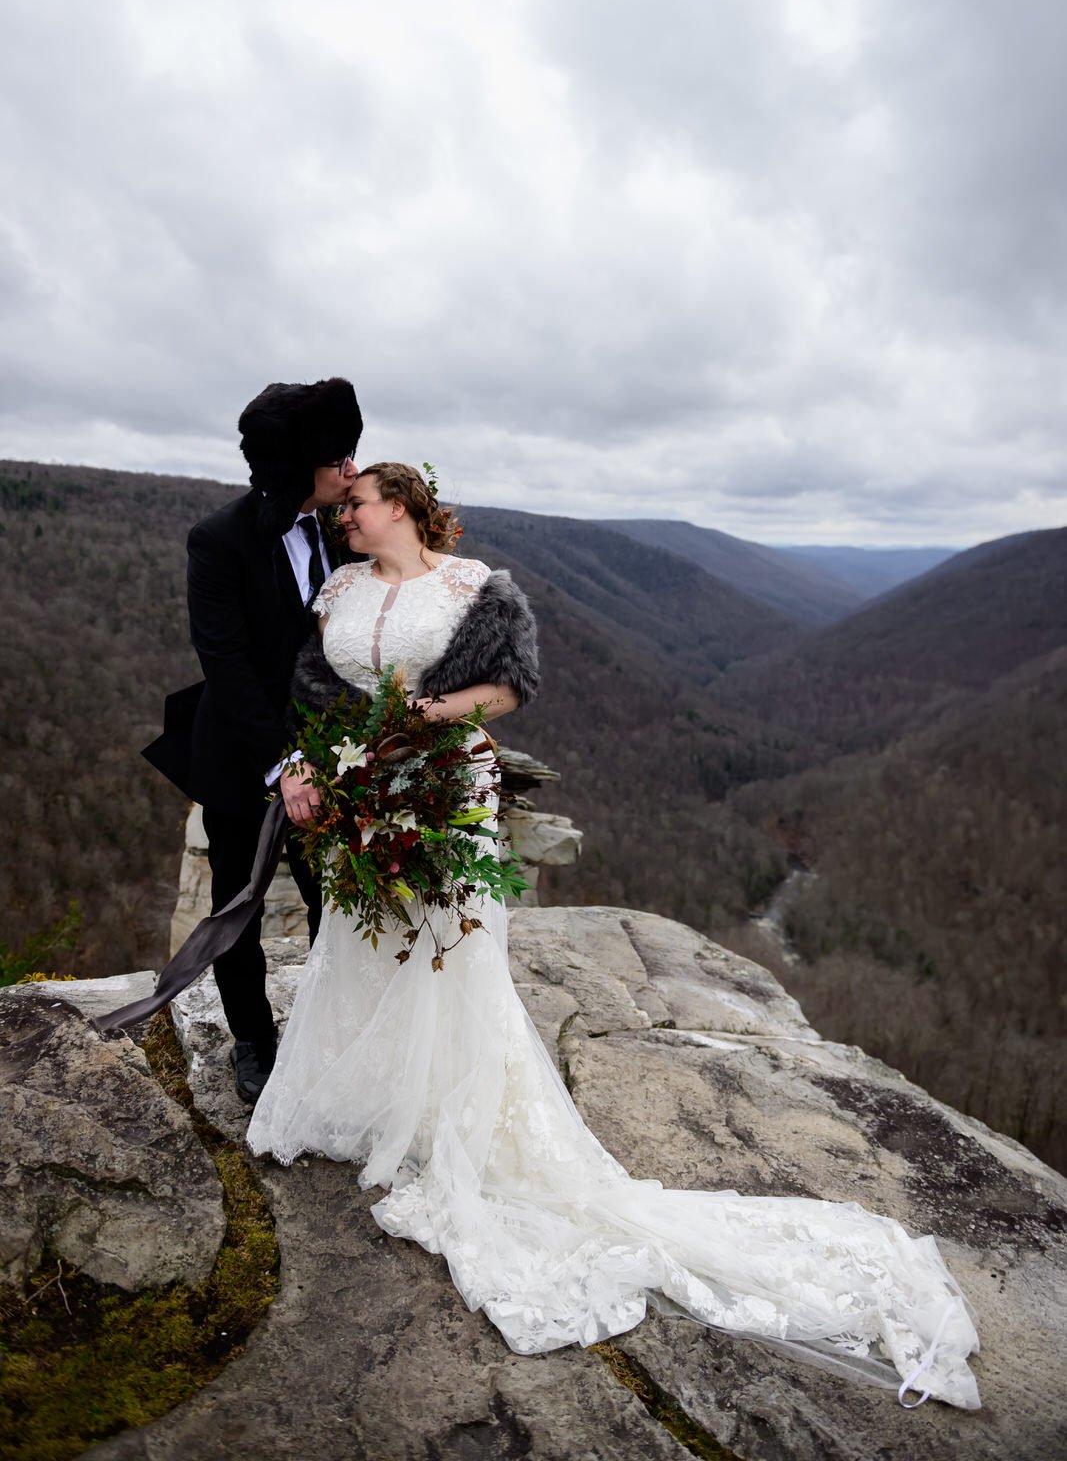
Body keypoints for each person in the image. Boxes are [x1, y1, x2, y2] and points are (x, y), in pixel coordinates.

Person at [247, 463, 981, 1410]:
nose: (341, 516)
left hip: (439, 780)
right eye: (339, 506)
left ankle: (446, 1110)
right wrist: (330, 756)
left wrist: (428, 718)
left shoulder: (481, 590)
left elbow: (510, 687)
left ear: (402, 508)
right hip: (363, 785)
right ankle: (369, 1091)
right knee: (363, 934)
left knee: (449, 945)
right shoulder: (338, 591)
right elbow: (308, 686)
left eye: (356, 504)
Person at [143, 377, 363, 1104]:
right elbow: (227, 665)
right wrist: (284, 763)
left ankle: (335, 1028)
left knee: (336, 901)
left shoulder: (344, 529)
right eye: (340, 458)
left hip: (331, 755)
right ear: (300, 466)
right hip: (242, 757)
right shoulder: (219, 540)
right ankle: (254, 1043)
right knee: (237, 906)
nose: (352, 470)